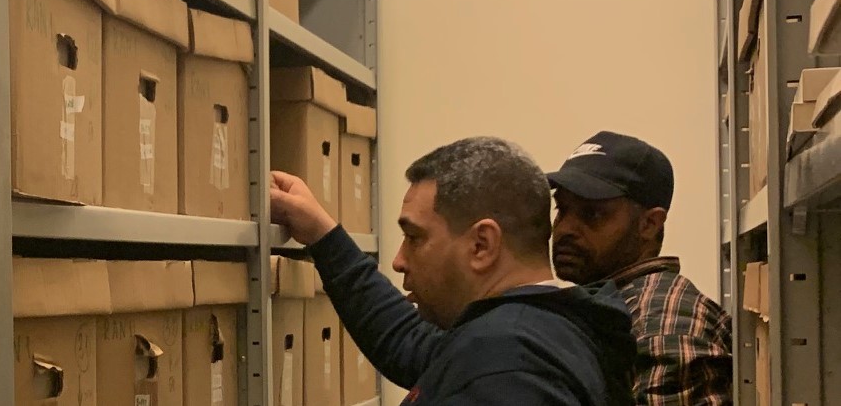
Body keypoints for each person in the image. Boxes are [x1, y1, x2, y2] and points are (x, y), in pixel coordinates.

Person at [270, 136, 635, 406]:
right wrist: (322, 235)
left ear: (482, 245)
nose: (398, 260)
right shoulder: (540, 331)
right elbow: (410, 344)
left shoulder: (511, 369)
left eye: (414, 237)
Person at [548, 131, 732, 406]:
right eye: (562, 209)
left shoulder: (662, 325)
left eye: (592, 214)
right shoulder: (615, 307)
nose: (564, 229)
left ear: (650, 224)